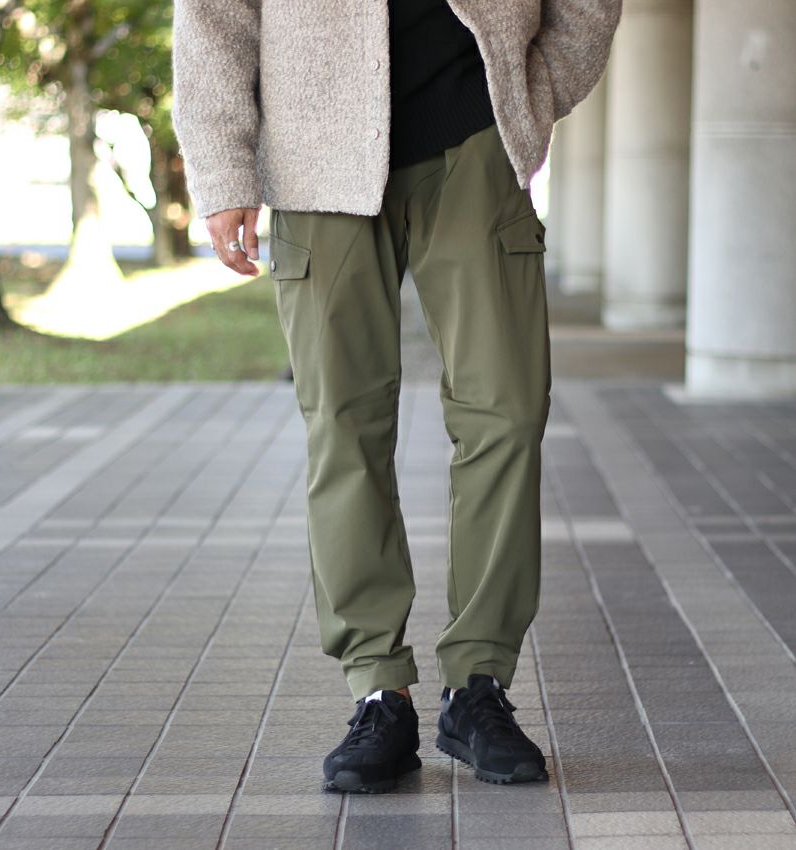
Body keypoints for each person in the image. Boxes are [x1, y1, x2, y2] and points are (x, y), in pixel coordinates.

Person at [172, 0, 622, 794]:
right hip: (314, 154)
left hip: (475, 140)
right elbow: (213, 17)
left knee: (508, 413)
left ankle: (479, 682)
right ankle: (377, 688)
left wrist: (529, 94)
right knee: (343, 425)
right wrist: (223, 168)